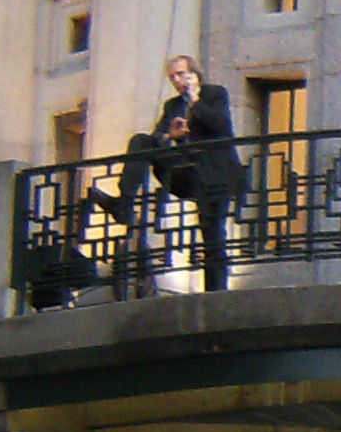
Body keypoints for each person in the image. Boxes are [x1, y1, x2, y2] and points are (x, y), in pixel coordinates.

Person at [90, 54, 248, 292]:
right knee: (141, 141)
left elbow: (220, 125)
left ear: (195, 74)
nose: (177, 80)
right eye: (173, 76)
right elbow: (157, 136)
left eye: (182, 74)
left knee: (213, 232)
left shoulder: (215, 94)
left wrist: (195, 99)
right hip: (182, 173)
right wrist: (170, 136)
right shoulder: (172, 106)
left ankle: (215, 293)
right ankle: (123, 204)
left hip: (215, 175)